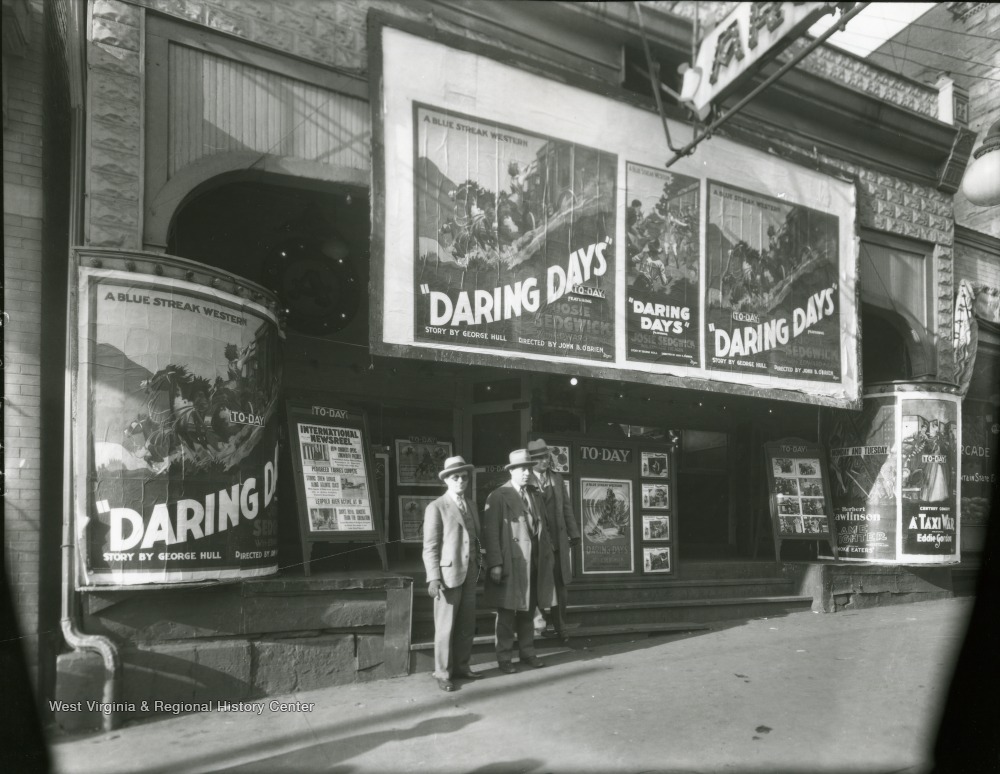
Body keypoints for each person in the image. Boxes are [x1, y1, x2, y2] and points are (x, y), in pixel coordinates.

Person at [482, 449, 557, 673]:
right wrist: (495, 563)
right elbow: (491, 532)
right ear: (512, 471)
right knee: (506, 612)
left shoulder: (534, 495)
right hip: (511, 562)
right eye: (522, 469)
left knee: (528, 609)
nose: (526, 473)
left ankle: (528, 652)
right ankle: (504, 658)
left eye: (528, 468)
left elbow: (540, 528)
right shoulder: (498, 496)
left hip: (533, 562)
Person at [422, 455, 483, 692]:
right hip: (447, 576)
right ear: (446, 480)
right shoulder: (436, 507)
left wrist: (480, 564)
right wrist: (433, 577)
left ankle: (461, 666)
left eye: (464, 477)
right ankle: (442, 672)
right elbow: (430, 547)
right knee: (446, 626)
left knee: (467, 622)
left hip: (470, 573)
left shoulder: (472, 505)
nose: (460, 481)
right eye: (455, 477)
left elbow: (476, 539)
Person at [528, 438, 580, 641]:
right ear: (531, 461)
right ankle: (538, 625)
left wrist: (573, 532)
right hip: (538, 543)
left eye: (546, 457)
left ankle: (561, 626)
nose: (545, 461)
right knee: (538, 583)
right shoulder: (526, 480)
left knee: (561, 586)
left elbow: (566, 507)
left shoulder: (557, 479)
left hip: (558, 541)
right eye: (540, 458)